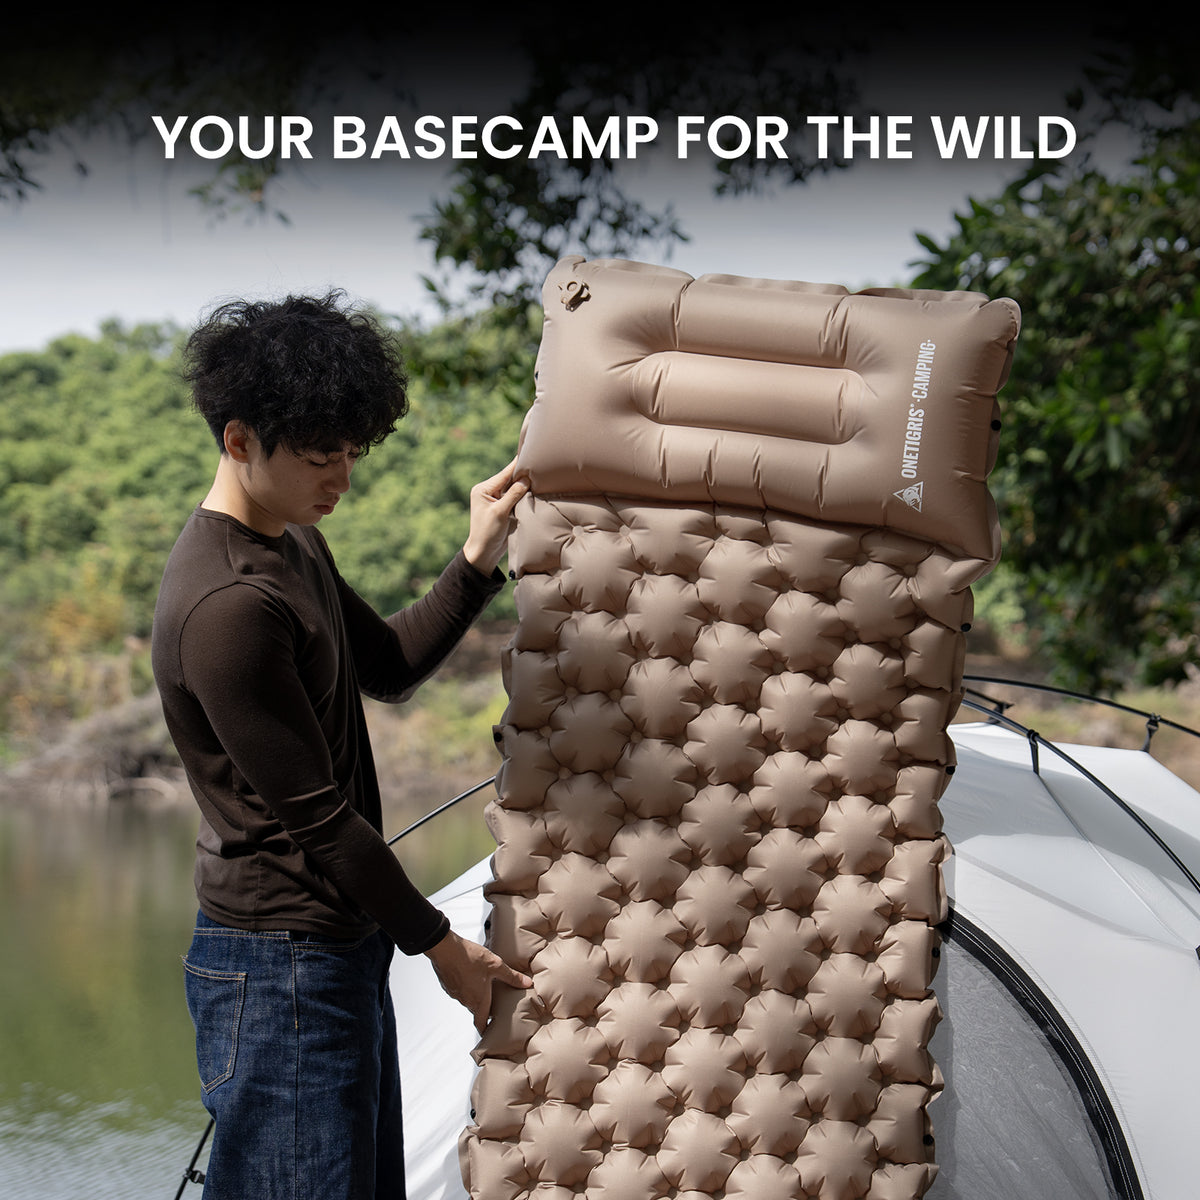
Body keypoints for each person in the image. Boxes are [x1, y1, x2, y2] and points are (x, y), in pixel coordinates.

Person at [151, 291, 532, 1199]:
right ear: (240, 440)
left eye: (353, 454)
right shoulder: (228, 605)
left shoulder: (292, 544)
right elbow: (322, 819)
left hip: (334, 948)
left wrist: (477, 559)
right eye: (323, 457)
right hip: (276, 968)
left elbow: (390, 665)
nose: (343, 480)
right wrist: (441, 947)